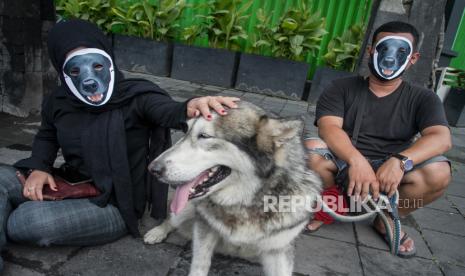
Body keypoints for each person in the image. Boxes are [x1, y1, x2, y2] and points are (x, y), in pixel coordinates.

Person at [0, 19, 239, 271]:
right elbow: (47, 136)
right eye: (75, 71)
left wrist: (189, 108)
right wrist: (40, 167)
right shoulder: (58, 101)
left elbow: (167, 110)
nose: (89, 79)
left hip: (115, 203)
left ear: (109, 61)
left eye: (96, 65)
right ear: (62, 71)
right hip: (72, 183)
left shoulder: (137, 96)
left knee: (26, 222)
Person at [305, 21, 452, 258]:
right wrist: (356, 160)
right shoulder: (340, 87)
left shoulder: (423, 98)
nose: (390, 58)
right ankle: (336, 202)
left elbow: (441, 138)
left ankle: (387, 219)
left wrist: (400, 161)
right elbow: (328, 127)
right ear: (371, 51)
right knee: (309, 151)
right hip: (344, 162)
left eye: (401, 51)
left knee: (439, 172)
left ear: (413, 58)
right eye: (383, 48)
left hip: (392, 171)